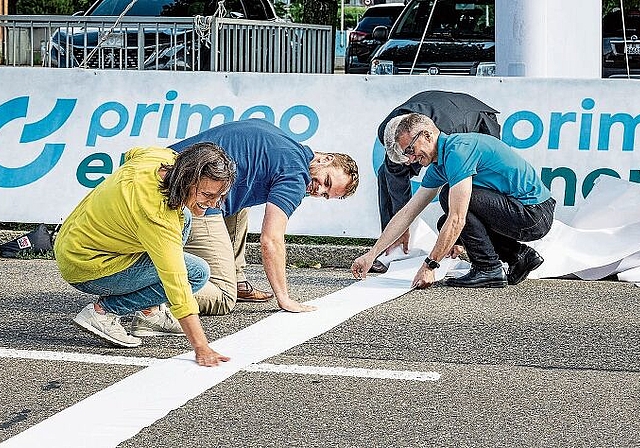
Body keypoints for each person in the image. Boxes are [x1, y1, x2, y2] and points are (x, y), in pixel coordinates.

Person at [54, 143, 236, 367]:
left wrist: (120, 203)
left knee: (185, 217)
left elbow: (131, 152)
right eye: (207, 194)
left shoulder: (161, 158)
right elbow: (176, 283)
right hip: (86, 267)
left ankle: (149, 313)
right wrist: (201, 347)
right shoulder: (158, 217)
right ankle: (102, 313)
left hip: (73, 240)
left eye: (221, 195)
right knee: (197, 273)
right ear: (186, 179)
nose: (214, 203)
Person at [170, 119, 359, 314]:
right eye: (326, 182)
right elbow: (271, 239)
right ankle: (150, 293)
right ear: (326, 159)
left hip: (163, 172)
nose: (319, 191)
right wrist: (284, 298)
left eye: (326, 195)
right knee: (223, 297)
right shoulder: (296, 175)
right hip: (187, 197)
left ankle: (237, 279)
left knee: (241, 202)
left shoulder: (281, 141)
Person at [352, 113, 555, 288]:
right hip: (526, 211)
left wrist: (429, 266)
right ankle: (519, 257)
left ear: (427, 135)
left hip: (534, 214)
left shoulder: (458, 151)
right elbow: (408, 213)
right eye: (406, 154)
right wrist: (372, 254)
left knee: (451, 201)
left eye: (410, 150)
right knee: (444, 221)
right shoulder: (440, 163)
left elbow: (458, 218)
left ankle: (488, 268)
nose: (411, 159)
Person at [372, 90, 501, 273]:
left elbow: (458, 195)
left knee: (462, 189)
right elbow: (395, 179)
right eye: (405, 156)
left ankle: (478, 251)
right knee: (386, 173)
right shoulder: (389, 132)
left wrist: (452, 238)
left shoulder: (452, 136)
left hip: (474, 117)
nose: (411, 163)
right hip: (427, 113)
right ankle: (392, 249)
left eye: (410, 154)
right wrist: (400, 228)